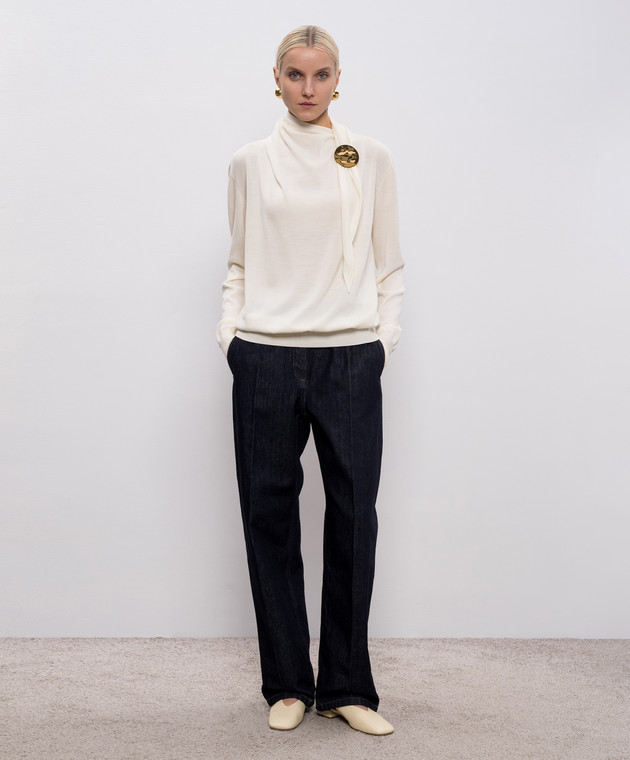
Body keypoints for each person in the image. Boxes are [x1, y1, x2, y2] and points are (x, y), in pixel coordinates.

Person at [217, 25, 404, 735]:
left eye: (320, 75)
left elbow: (389, 263)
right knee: (268, 516)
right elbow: (239, 260)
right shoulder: (249, 161)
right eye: (295, 75)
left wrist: (380, 342)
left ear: (337, 80)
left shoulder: (369, 157)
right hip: (264, 355)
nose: (307, 87)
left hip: (349, 356)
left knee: (355, 515)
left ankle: (347, 686)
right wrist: (233, 339)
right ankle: (289, 684)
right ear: (276, 79)